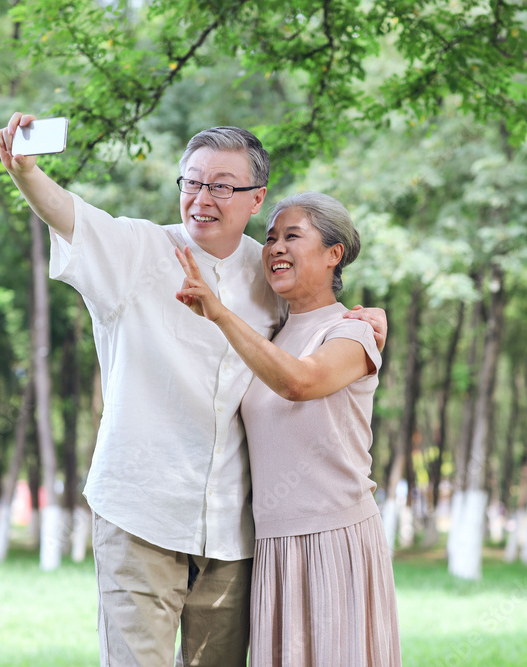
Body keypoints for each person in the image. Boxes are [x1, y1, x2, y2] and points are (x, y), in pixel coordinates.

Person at [0, 113, 386, 666]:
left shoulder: (269, 274)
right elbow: (73, 217)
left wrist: (366, 319)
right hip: (141, 510)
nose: (203, 197)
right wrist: (26, 172)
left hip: (234, 528)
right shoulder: (137, 251)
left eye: (222, 185)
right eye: (193, 182)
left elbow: (313, 336)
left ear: (256, 198)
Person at [175, 191, 401, 666]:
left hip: (334, 538)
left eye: (293, 236)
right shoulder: (273, 334)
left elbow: (301, 382)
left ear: (333, 254)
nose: (275, 246)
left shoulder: (352, 331)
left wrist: (218, 311)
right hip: (273, 545)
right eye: (271, 237)